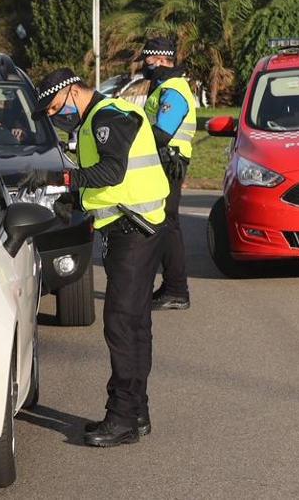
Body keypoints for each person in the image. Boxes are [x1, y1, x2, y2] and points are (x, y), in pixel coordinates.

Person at [35, 68, 169, 448]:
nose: (53, 116)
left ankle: (123, 417)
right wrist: (74, 200)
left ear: (74, 93)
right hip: (130, 227)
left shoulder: (109, 116)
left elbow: (112, 171)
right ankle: (136, 412)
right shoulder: (100, 117)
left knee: (122, 325)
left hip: (135, 229)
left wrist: (60, 179)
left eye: (55, 107)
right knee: (135, 324)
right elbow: (107, 184)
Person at [140, 38, 197, 311]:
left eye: (147, 60)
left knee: (167, 225)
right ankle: (173, 287)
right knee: (165, 225)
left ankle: (176, 289)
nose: (144, 65)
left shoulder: (173, 89)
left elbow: (162, 132)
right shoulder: (164, 86)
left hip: (168, 164)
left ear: (160, 60)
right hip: (165, 163)